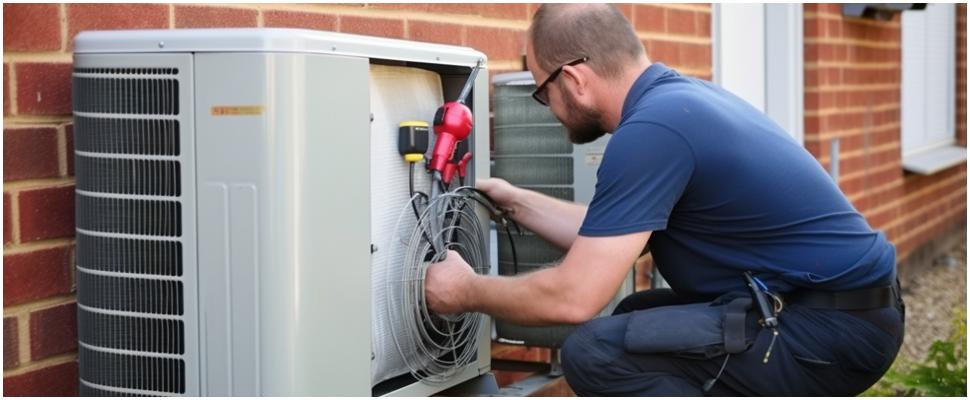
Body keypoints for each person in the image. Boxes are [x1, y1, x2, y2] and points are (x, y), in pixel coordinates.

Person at [424, 4, 904, 396]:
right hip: (841, 312)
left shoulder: (653, 131)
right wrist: (515, 200)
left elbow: (575, 296)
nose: (547, 109)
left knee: (595, 352)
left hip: (830, 330)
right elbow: (609, 234)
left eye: (541, 93)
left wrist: (463, 291)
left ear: (574, 80)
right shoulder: (677, 103)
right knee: (639, 315)